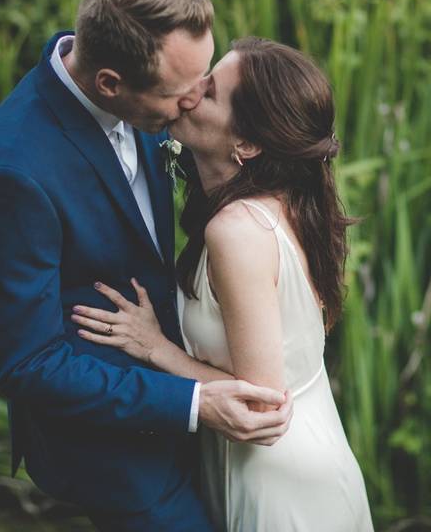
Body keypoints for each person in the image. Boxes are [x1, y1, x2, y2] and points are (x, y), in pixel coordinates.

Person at [0, 0, 292, 532]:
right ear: (110, 83)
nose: (195, 103)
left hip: (205, 425)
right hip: (119, 455)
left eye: (202, 77)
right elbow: (28, 364)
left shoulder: (150, 95)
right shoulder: (14, 172)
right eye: (178, 93)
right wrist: (192, 403)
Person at [70, 37, 374, 531]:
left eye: (209, 92)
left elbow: (261, 403)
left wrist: (156, 348)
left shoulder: (237, 231)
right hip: (307, 457)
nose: (188, 92)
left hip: (278, 487)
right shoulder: (285, 203)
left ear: (248, 144)